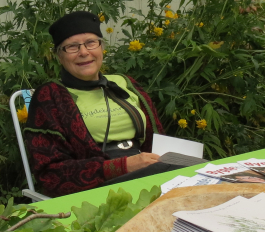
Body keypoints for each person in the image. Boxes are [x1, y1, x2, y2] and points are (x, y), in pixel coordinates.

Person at [23, 11, 184, 196]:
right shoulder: (50, 96)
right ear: (59, 56)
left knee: (202, 168)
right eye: (72, 47)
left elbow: (156, 141)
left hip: (147, 169)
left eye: (91, 43)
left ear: (101, 47)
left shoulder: (125, 83)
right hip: (96, 188)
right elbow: (51, 175)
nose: (84, 52)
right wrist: (122, 166)